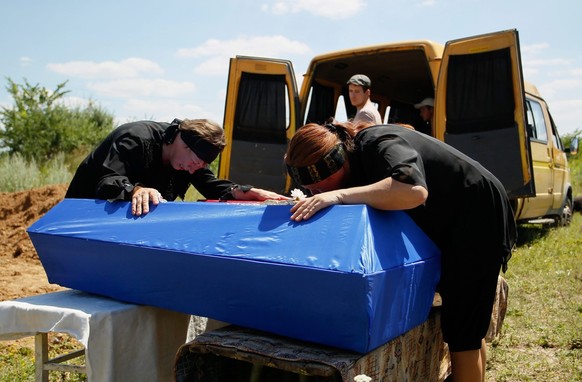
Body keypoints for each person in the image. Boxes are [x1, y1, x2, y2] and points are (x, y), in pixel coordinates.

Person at [284, 120, 516, 382]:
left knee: (463, 332)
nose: (316, 193)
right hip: (457, 221)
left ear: (337, 161)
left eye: (318, 186)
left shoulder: (377, 141)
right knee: (466, 325)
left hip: (477, 216)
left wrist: (337, 196)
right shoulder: (354, 161)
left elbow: (412, 190)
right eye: (310, 191)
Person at [65, 118, 287, 215]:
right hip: (82, 213)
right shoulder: (135, 138)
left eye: (199, 166)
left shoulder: (189, 159)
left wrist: (242, 191)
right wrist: (137, 190)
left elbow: (209, 184)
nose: (192, 171)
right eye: (193, 164)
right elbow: (106, 181)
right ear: (182, 142)